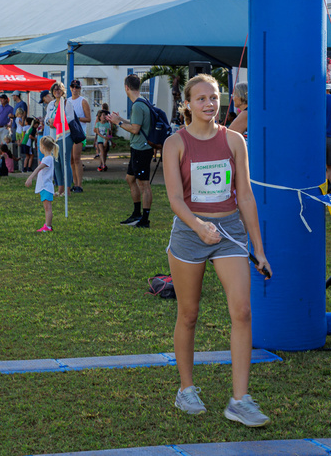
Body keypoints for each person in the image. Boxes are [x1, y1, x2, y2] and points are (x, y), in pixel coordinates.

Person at [163, 73, 272, 427]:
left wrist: (259, 250)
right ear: (187, 104)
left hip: (230, 233)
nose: (209, 104)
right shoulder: (175, 143)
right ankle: (186, 389)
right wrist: (199, 226)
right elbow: (175, 199)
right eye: (201, 99)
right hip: (190, 233)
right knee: (188, 314)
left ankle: (240, 400)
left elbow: (246, 196)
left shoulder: (234, 140)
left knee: (242, 311)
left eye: (214, 97)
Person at [107, 74, 153, 228]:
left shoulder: (137, 105)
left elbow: (135, 129)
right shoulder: (142, 101)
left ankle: (144, 219)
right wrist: (120, 119)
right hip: (137, 148)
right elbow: (135, 124)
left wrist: (118, 123)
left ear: (126, 87)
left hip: (142, 149)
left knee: (143, 184)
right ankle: (136, 213)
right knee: (130, 179)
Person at [45, 82, 73, 197]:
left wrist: (57, 123)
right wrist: (49, 122)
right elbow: (47, 118)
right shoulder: (51, 104)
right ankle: (60, 188)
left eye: (59, 89)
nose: (57, 91)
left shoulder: (67, 103)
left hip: (65, 136)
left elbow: (70, 119)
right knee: (56, 163)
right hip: (53, 137)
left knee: (65, 163)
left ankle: (68, 189)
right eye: (55, 89)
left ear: (63, 91)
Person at [25, 135, 58, 232]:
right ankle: (47, 225)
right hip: (46, 186)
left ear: (43, 147)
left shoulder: (47, 159)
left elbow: (38, 168)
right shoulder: (48, 158)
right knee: (47, 207)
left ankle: (48, 226)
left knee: (47, 208)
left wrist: (30, 178)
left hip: (46, 187)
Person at [68, 79, 91, 193]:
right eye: (73, 87)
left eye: (77, 87)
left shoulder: (83, 101)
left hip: (79, 133)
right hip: (69, 132)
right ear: (70, 88)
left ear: (80, 89)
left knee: (77, 158)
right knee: (71, 159)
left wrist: (77, 118)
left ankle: (79, 184)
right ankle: (75, 182)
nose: (74, 89)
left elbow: (88, 118)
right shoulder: (67, 101)